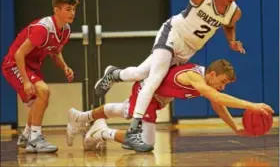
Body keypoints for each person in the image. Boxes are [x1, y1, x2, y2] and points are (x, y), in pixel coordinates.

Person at [94, 0, 246, 150]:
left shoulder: (234, 12)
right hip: (173, 35)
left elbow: (229, 25)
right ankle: (134, 126)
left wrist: (232, 41)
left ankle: (114, 74)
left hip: (188, 49)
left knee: (139, 73)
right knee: (155, 78)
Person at [67, 59, 274, 152]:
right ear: (212, 75)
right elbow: (218, 99)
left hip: (158, 97)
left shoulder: (206, 82)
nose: (222, 87)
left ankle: (81, 117)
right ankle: (101, 132)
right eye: (222, 82)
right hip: (148, 91)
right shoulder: (194, 77)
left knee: (123, 110)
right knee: (145, 143)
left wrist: (235, 127)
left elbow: (218, 105)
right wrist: (252, 106)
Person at [1, 0, 79, 153]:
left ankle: (26, 136)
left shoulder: (65, 30)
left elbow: (55, 52)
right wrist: (26, 80)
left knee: (40, 99)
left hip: (31, 66)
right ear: (56, 10)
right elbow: (19, 54)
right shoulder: (43, 28)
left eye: (73, 9)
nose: (72, 13)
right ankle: (35, 139)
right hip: (14, 63)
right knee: (43, 91)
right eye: (68, 9)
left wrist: (65, 67)